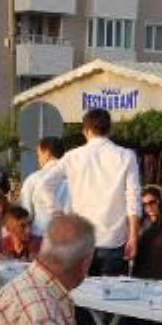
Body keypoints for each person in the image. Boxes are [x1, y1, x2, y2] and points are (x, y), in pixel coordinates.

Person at [52, 108, 141, 276]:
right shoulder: (126, 156)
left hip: (80, 240)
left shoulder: (72, 156)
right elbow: (133, 199)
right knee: (111, 299)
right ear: (109, 129)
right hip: (114, 240)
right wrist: (133, 237)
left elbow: (46, 183)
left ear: (85, 130)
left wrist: (57, 213)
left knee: (80, 298)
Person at [19, 136, 68, 256]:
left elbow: (26, 215)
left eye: (38, 155)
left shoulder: (33, 179)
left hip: (40, 238)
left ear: (47, 153)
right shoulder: (75, 177)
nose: (38, 159)